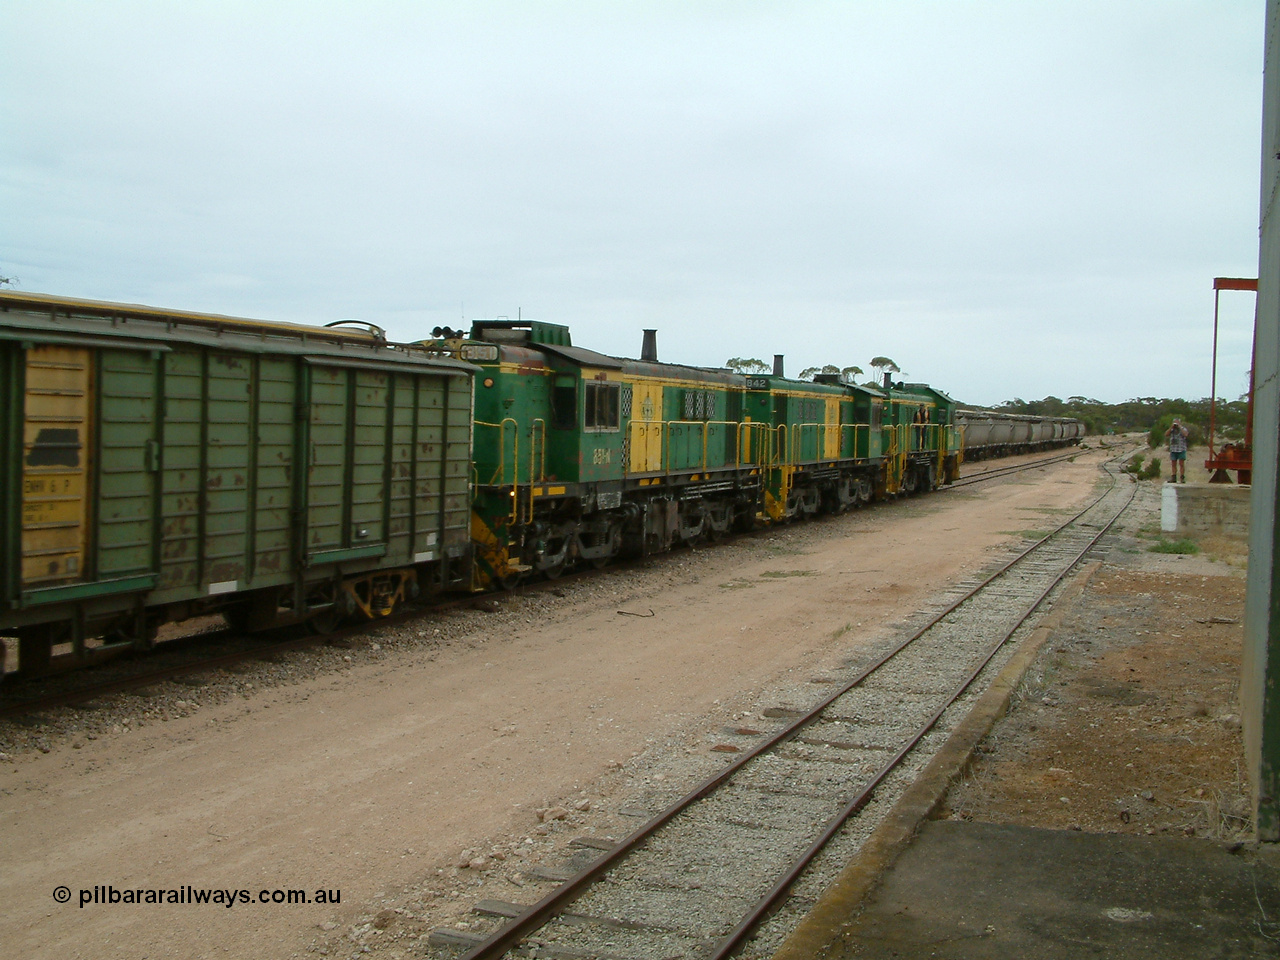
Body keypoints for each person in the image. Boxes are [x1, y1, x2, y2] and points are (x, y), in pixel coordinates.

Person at [1165, 418, 1190, 482]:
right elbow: (1166, 434)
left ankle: (1182, 477)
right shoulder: (1172, 430)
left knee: (1181, 464)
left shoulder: (1183, 429)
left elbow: (1186, 434)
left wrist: (1180, 427)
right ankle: (1173, 477)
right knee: (1173, 464)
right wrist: (1171, 427)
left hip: (1181, 449)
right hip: (1173, 449)